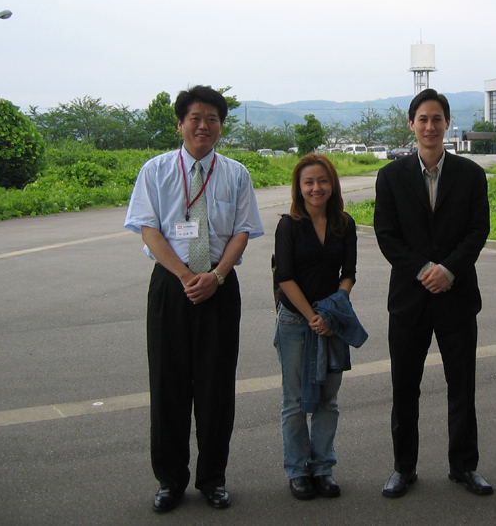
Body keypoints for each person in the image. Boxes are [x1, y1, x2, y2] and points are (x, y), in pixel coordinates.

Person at [124, 86, 264, 513]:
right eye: (195, 118)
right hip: (172, 284)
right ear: (180, 123)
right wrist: (187, 276)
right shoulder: (156, 170)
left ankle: (213, 479)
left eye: (213, 119)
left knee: (216, 387)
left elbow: (243, 231)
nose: (204, 126)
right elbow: (149, 229)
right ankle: (170, 480)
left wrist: (216, 276)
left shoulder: (237, 174)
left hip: (220, 287)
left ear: (221, 125)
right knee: (168, 385)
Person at [374, 88, 493, 498]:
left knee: (463, 386)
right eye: (422, 119)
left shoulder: (471, 174)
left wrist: (449, 269)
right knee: (404, 387)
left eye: (437, 119)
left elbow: (478, 231)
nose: (430, 126)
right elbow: (386, 235)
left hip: (457, 297)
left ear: (447, 123)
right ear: (412, 125)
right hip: (410, 299)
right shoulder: (390, 176)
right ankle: (403, 468)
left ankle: (463, 467)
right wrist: (425, 270)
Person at [273, 154, 363, 501]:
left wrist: (332, 311)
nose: (316, 188)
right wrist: (314, 315)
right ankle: (297, 470)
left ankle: (322, 467)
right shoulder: (289, 225)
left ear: (333, 184)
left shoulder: (344, 222)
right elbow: (285, 276)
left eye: (322, 181)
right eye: (309, 182)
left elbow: (349, 272)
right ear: (299, 186)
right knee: (294, 401)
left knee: (328, 399)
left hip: (332, 320)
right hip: (297, 321)